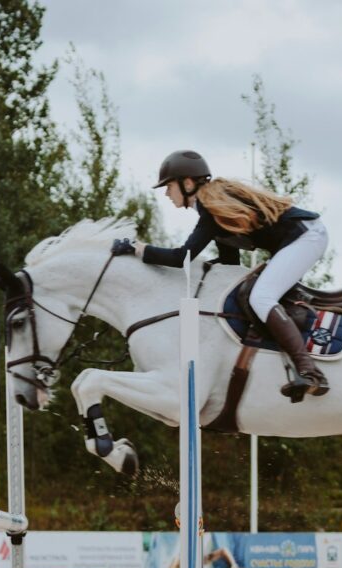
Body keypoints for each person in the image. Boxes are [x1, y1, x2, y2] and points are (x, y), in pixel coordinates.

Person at [113, 149, 330, 398]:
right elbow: (229, 262)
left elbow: (180, 257)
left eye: (169, 186)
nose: (166, 193)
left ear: (187, 184)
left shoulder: (210, 208)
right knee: (255, 294)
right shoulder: (216, 208)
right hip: (300, 237)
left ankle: (310, 371)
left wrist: (137, 248)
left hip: (306, 236)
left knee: (261, 297)